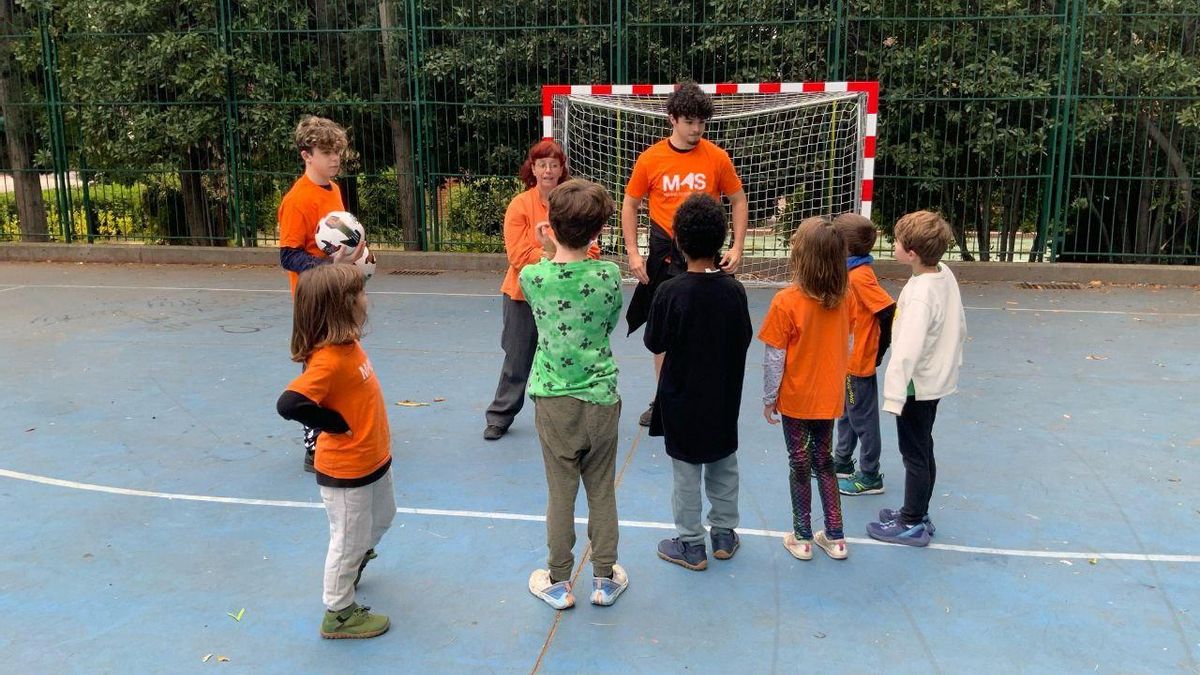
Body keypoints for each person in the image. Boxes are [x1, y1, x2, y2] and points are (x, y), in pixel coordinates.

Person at [522, 180, 628, 609]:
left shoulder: (534, 275)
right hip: (601, 397)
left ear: (551, 224)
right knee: (601, 487)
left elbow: (543, 279)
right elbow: (608, 324)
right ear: (598, 230)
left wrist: (548, 247)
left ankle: (559, 579)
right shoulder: (609, 275)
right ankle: (604, 577)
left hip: (554, 400)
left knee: (560, 490)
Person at [276, 264, 395, 639]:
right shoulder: (328, 360)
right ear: (340, 308)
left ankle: (357, 560)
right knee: (347, 540)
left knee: (385, 517)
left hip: (373, 460)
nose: (366, 299)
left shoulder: (348, 346)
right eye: (359, 294)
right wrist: (333, 423)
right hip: (347, 472)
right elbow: (289, 403)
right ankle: (339, 611)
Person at [622, 82, 748, 427]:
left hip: (706, 256)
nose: (696, 130)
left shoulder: (717, 157)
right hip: (665, 255)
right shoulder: (650, 159)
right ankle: (664, 398)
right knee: (664, 330)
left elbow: (738, 200)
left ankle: (704, 396)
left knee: (707, 330)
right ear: (671, 119)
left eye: (701, 123)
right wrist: (633, 252)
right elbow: (630, 204)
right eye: (690, 121)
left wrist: (737, 246)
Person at [645, 194, 752, 571]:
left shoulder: (669, 292)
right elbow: (744, 337)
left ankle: (691, 543)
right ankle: (723, 534)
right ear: (722, 237)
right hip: (723, 398)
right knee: (724, 465)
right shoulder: (734, 290)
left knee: (686, 472)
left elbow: (654, 341)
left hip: (681, 399)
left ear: (676, 238)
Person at [483, 140, 598, 441]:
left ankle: (568, 417)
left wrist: (549, 250)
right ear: (532, 169)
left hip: (566, 298)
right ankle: (500, 415)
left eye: (554, 164)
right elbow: (518, 257)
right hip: (523, 297)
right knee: (517, 359)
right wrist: (560, 251)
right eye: (542, 164)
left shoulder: (575, 202)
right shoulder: (520, 206)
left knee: (567, 358)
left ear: (562, 169)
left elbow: (593, 250)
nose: (548, 170)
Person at [866, 211, 966, 547]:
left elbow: (906, 350)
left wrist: (893, 397)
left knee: (914, 453)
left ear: (911, 253)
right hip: (934, 378)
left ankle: (912, 522)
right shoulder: (943, 273)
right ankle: (917, 511)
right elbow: (959, 324)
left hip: (916, 385)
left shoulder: (921, 293)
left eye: (896, 242)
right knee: (924, 446)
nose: (892, 245)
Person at [759, 217, 851, 562]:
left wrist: (770, 398)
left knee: (799, 462)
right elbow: (849, 342)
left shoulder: (787, 302)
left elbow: (774, 358)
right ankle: (836, 536)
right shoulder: (846, 298)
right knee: (824, 462)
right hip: (829, 396)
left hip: (797, 399)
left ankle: (802, 536)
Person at [278, 116, 350, 472]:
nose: (335, 158)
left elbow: (338, 239)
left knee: (342, 363)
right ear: (307, 155)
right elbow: (288, 255)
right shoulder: (297, 201)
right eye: (326, 152)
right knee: (318, 369)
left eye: (337, 151)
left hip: (337, 294)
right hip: (312, 301)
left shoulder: (333, 190)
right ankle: (313, 444)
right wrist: (326, 265)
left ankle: (337, 429)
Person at [831, 213, 896, 496]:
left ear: (844, 247)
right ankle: (843, 460)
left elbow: (887, 310)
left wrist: (879, 350)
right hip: (848, 360)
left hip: (859, 362)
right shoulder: (851, 272)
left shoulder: (860, 277)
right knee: (846, 412)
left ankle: (870, 474)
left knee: (862, 418)